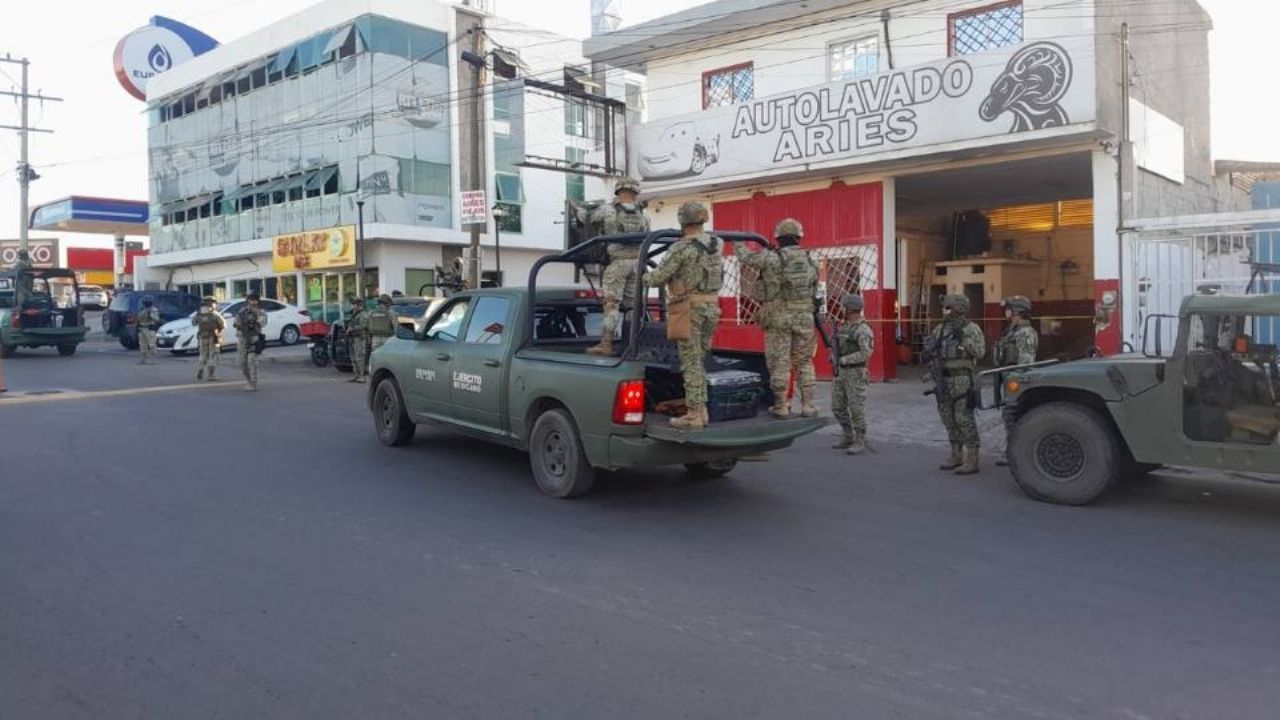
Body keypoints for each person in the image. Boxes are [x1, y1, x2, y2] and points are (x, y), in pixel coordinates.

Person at [645, 201, 723, 430]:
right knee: (699, 361)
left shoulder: (680, 248)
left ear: (682, 221)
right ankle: (702, 410)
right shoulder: (717, 243)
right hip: (712, 307)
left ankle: (694, 415)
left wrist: (641, 275)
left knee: (690, 364)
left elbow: (658, 278)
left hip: (689, 309)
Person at [734, 218, 819, 418]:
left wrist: (737, 242)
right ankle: (808, 406)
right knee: (805, 362)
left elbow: (746, 258)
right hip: (804, 316)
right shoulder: (809, 260)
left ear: (778, 238)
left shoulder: (771, 258)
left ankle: (781, 406)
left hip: (778, 316)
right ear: (799, 237)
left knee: (780, 363)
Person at [585, 177, 650, 356]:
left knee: (611, 303)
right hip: (637, 264)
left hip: (617, 264)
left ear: (618, 191)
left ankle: (606, 344)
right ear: (636, 192)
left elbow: (586, 218)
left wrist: (577, 208)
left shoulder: (607, 210)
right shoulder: (644, 215)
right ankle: (632, 344)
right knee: (632, 306)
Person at [927, 294, 987, 474]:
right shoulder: (939, 329)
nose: (943, 310)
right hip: (943, 379)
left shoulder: (971, 329)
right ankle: (956, 454)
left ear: (958, 309)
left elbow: (980, 352)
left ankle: (973, 459)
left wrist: (965, 341)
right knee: (948, 418)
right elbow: (933, 351)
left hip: (962, 379)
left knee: (964, 418)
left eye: (947, 307)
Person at [993, 295, 1039, 465]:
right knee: (1009, 417)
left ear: (1017, 311)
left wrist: (1017, 385)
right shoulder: (1012, 331)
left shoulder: (1025, 332)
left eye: (1009, 309)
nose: (1006, 312)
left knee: (1014, 417)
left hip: (1017, 382)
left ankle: (1016, 453)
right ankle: (1013, 451)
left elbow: (1026, 363)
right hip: (1008, 379)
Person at [831, 294, 875, 454]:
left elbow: (866, 352)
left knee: (856, 408)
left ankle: (859, 440)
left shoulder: (863, 329)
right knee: (837, 407)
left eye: (843, 306)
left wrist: (844, 360)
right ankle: (848, 435)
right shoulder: (844, 327)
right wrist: (834, 356)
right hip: (841, 373)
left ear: (849, 308)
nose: (841, 309)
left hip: (856, 372)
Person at [234, 293, 268, 391]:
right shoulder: (242, 312)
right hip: (243, 339)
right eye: (251, 299)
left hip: (254, 339)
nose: (253, 302)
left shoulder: (261, 312)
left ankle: (253, 383)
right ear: (247, 300)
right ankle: (249, 381)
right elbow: (236, 324)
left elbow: (262, 322)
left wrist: (255, 314)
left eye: (255, 300)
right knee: (243, 364)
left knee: (251, 361)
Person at [192, 296, 225, 381]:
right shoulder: (215, 314)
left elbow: (193, 323)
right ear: (212, 303)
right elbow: (223, 325)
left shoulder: (198, 313)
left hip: (202, 337)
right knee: (212, 355)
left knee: (203, 354)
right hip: (213, 337)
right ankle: (211, 375)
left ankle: (200, 369)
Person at [346, 296, 370, 383]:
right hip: (353, 338)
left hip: (360, 338)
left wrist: (351, 328)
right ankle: (356, 374)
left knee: (360, 357)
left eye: (353, 304)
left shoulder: (363, 314)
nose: (352, 306)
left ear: (358, 304)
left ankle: (362, 375)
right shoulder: (354, 314)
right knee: (353, 358)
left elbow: (363, 326)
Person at [136, 298, 161, 365]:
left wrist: (150, 315)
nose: (145, 303)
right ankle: (143, 360)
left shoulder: (153, 310)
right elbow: (138, 318)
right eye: (144, 302)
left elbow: (156, 319)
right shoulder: (142, 309)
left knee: (152, 345)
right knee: (142, 345)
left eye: (146, 302)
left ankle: (153, 360)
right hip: (142, 328)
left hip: (149, 328)